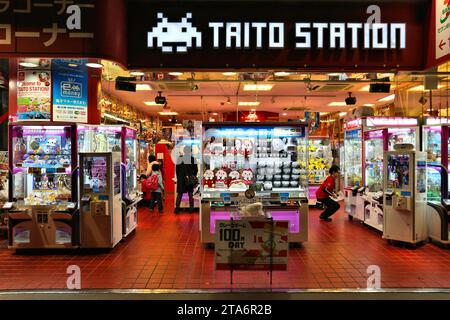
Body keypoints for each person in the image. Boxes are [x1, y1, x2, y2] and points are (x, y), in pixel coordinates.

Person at [175, 146, 198, 214]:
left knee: (180, 194)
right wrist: (193, 176)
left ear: (184, 151)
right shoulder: (193, 159)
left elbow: (177, 170)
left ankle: (177, 208)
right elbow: (196, 170)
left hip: (181, 178)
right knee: (190, 194)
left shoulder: (180, 158)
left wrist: (179, 177)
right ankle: (191, 209)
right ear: (190, 151)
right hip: (190, 179)